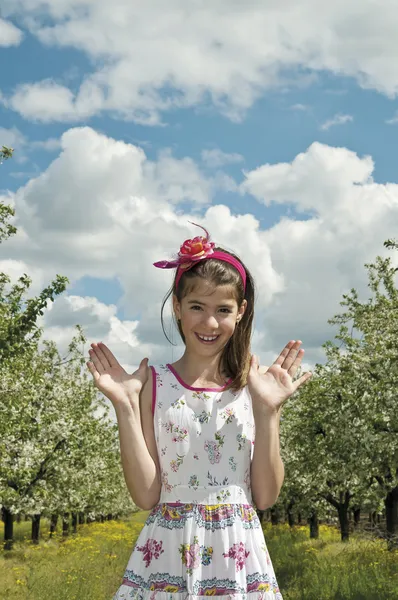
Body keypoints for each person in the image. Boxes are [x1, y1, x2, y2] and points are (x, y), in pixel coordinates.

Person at [87, 223, 312, 600]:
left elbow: (266, 495)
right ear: (177, 307)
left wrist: (268, 412)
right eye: (197, 307)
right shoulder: (154, 385)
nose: (209, 323)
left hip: (236, 553)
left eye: (223, 310)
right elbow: (146, 495)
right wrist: (125, 407)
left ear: (240, 312)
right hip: (168, 555)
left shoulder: (254, 388)